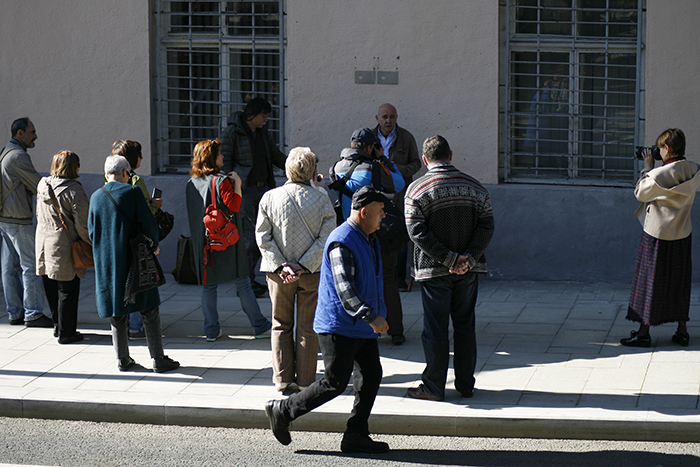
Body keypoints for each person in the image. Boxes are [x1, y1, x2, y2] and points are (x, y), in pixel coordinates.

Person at [264, 186, 391, 454]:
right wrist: (371, 316)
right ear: (364, 212)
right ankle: (283, 411)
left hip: (360, 326)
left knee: (370, 376)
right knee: (334, 383)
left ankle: (356, 434)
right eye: (380, 212)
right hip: (340, 325)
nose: (383, 217)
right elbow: (345, 288)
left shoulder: (369, 237)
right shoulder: (342, 240)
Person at [404, 135, 495, 401]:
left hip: (433, 271)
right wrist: (466, 257)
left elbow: (416, 231)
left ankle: (433, 386)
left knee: (435, 328)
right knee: (465, 326)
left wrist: (448, 259)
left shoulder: (417, 189)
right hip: (468, 268)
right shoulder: (475, 187)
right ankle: (465, 385)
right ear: (451, 155)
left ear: (424, 159)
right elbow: (487, 225)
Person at [89, 155, 179, 373]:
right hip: (134, 260)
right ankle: (158, 358)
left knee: (117, 310)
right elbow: (148, 223)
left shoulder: (95, 196)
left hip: (108, 262)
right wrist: (154, 244)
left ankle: (123, 359)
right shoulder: (132, 192)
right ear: (124, 173)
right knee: (149, 308)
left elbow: (92, 232)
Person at [256, 147, 336, 392]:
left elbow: (262, 236)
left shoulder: (270, 197)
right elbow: (327, 236)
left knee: (280, 324)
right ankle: (305, 380)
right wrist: (302, 265)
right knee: (307, 326)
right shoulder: (321, 198)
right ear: (312, 170)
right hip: (310, 272)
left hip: (278, 274)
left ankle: (282, 378)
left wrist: (282, 264)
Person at [185, 139, 272, 341]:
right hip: (228, 241)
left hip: (205, 243)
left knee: (209, 286)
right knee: (243, 283)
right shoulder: (222, 181)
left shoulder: (192, 183)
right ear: (211, 158)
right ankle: (259, 326)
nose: (223, 157)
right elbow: (234, 207)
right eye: (219, 154)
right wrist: (238, 185)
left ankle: (211, 331)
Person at [621, 129, 700, 348]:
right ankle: (682, 332)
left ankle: (644, 333)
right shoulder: (694, 170)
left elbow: (640, 193)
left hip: (656, 235)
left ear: (666, 149)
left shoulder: (656, 176)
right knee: (679, 282)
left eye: (659, 148)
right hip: (683, 233)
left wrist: (648, 167)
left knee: (649, 282)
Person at [330, 127, 405, 344]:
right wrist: (384, 159)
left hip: (349, 233)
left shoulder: (336, 166)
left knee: (353, 281)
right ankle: (395, 330)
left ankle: (360, 326)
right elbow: (398, 184)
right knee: (388, 278)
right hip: (377, 232)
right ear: (371, 147)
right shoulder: (373, 167)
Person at [219, 97, 287, 297]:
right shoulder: (232, 132)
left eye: (267, 116)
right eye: (263, 116)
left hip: (265, 190)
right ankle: (245, 282)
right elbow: (225, 164)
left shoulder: (263, 133)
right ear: (251, 115)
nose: (266, 120)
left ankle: (248, 279)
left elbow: (275, 156)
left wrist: (296, 165)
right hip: (246, 193)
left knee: (265, 235)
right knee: (251, 238)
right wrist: (233, 190)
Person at [372, 103, 421, 341]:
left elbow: (416, 164)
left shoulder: (406, 137)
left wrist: (394, 170)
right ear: (378, 118)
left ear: (396, 118)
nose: (388, 120)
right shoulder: (369, 138)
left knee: (400, 240)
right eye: (384, 117)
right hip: (376, 203)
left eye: (392, 116)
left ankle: (401, 278)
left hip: (399, 200)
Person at [35, 150, 91, 344]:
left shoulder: (43, 184)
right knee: (68, 289)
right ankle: (67, 332)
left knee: (50, 286)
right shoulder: (74, 190)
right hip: (64, 246)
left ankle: (58, 327)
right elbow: (82, 225)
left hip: (43, 242)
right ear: (74, 167)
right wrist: (91, 243)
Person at [0, 117, 50, 327]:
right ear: (19, 133)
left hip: (5, 217)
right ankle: (33, 313)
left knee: (8, 268)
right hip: (19, 218)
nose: (35, 136)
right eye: (32, 132)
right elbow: (38, 183)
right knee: (30, 266)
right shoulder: (18, 156)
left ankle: (15, 312)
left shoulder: (5, 152)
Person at [110, 140, 162, 341]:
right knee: (140, 282)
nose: (142, 158)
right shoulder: (136, 182)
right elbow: (145, 213)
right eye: (139, 155)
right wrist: (155, 205)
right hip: (136, 239)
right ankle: (136, 326)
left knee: (122, 281)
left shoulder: (108, 181)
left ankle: (124, 329)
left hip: (115, 238)